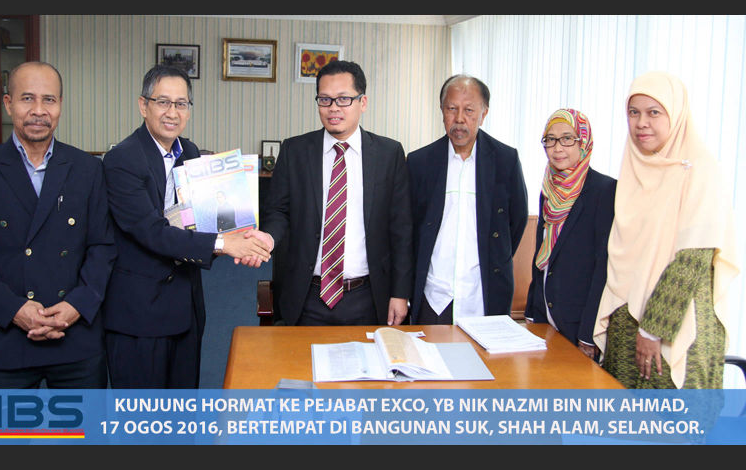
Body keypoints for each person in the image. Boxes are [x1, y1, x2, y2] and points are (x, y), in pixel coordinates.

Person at [0, 61, 116, 388]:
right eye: (27, 98)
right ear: (8, 103)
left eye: (48, 99)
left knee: (85, 424)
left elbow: (103, 246)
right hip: (3, 338)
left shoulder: (87, 169)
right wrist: (14, 310)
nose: (39, 110)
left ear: (60, 105)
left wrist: (77, 305)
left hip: (75, 336)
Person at [102, 65, 270, 388]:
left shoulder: (190, 154)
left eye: (181, 104)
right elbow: (150, 231)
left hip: (185, 304)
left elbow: (201, 220)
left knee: (182, 406)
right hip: (139, 312)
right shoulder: (121, 160)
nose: (173, 112)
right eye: (163, 102)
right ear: (143, 105)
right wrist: (224, 243)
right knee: (141, 413)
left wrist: (240, 235)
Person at [594, 71, 739, 389]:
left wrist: (652, 329)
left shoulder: (700, 170)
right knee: (626, 414)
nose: (641, 123)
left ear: (676, 113)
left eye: (654, 112)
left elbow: (693, 258)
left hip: (676, 323)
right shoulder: (634, 168)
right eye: (634, 112)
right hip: (627, 321)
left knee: (671, 414)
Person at [256, 60, 413, 326]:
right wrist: (269, 237)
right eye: (325, 99)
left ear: (363, 102)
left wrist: (400, 293)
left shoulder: (389, 154)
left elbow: (401, 229)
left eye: (343, 99)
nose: (333, 108)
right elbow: (278, 211)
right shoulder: (295, 151)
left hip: (368, 296)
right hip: (307, 295)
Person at [407, 74, 528, 324]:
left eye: (469, 110)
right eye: (452, 109)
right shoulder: (420, 162)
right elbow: (409, 228)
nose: (459, 118)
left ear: (484, 114)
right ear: (442, 111)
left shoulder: (505, 160)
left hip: (483, 295)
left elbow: (516, 222)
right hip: (435, 296)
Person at [524, 109, 616, 359]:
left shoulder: (604, 190)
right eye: (550, 139)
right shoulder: (548, 189)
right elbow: (541, 253)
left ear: (583, 142)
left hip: (578, 322)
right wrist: (532, 311)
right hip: (544, 316)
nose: (557, 148)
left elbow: (603, 267)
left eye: (567, 138)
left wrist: (588, 334)